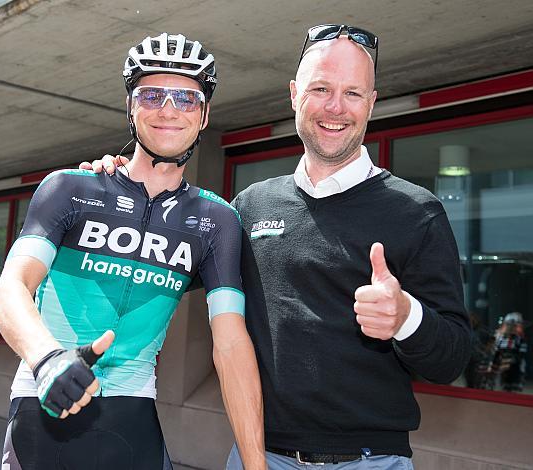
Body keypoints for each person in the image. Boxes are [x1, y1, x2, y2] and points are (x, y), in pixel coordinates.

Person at [85, 25, 472, 470]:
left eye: (352, 93)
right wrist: (121, 187)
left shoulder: (417, 212)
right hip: (259, 456)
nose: (334, 107)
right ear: (294, 95)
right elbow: (160, 264)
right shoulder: (250, 206)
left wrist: (407, 318)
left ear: (371, 102)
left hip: (371, 460)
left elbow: (453, 357)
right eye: (320, 88)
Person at [0, 32, 266, 470]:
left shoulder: (217, 221)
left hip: (133, 419)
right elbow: (10, 289)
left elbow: (230, 342)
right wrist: (48, 359)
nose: (169, 109)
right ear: (130, 106)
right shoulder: (70, 188)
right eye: (152, 94)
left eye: (187, 99)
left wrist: (256, 465)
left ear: (206, 114)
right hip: (45, 404)